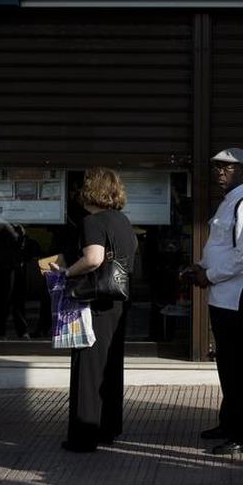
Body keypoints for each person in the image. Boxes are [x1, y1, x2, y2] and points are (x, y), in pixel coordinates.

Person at [50, 168, 137, 453]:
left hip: (95, 301)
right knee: (110, 367)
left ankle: (84, 436)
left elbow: (94, 258)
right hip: (117, 301)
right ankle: (107, 428)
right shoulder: (123, 221)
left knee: (87, 368)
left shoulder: (92, 221)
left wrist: (65, 272)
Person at [189, 147, 243, 455]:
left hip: (238, 299)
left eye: (229, 167)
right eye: (218, 167)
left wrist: (209, 275)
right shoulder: (228, 204)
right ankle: (229, 422)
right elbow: (220, 249)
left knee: (242, 368)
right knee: (227, 365)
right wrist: (199, 267)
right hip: (223, 298)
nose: (221, 172)